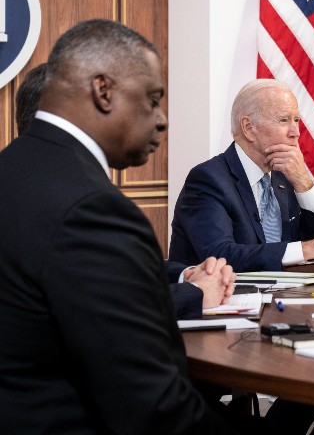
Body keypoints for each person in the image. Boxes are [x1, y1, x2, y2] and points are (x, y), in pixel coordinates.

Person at [0, 19, 236, 433]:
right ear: (103, 91)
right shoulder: (92, 209)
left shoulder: (15, 170)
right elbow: (153, 408)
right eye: (153, 100)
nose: (162, 120)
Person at [13, 62, 236, 320]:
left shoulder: (38, 181)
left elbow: (113, 269)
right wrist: (195, 293)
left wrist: (184, 274)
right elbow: (102, 303)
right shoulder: (68, 200)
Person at [169, 79, 314, 272]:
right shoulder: (208, 179)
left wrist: (304, 183)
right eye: (284, 120)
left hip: (287, 298)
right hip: (227, 299)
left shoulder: (286, 177)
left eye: (296, 120)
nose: (296, 132)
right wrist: (307, 249)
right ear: (249, 128)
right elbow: (219, 256)